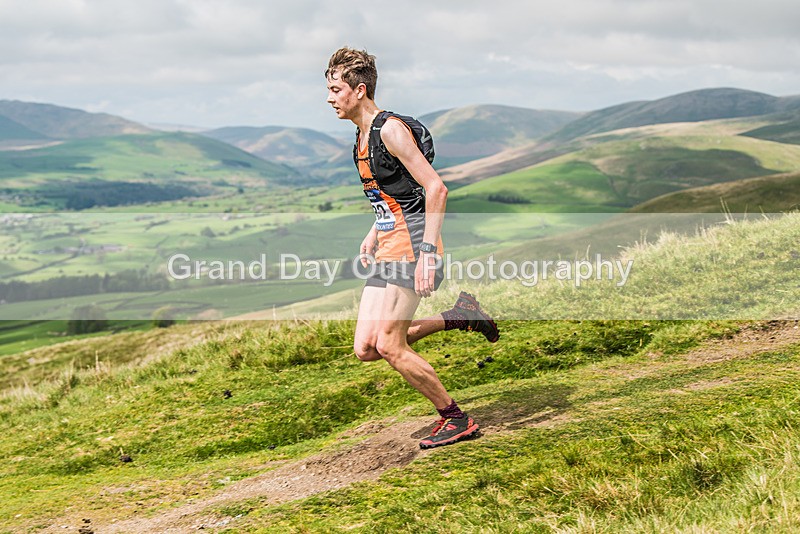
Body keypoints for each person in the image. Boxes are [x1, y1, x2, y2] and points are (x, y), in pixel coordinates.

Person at [325, 47, 499, 449]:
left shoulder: (389, 130)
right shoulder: (361, 134)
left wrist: (427, 254)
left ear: (360, 89)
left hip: (412, 245)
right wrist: (374, 229)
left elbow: (435, 188)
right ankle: (461, 315)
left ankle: (456, 418)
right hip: (389, 242)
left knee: (389, 343)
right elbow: (396, 195)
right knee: (367, 348)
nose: (330, 98)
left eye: (336, 89)